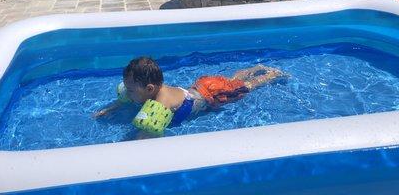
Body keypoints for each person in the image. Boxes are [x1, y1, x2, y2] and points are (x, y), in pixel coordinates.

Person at [94, 56, 286, 139]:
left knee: (246, 87)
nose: (128, 93)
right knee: (233, 81)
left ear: (149, 88)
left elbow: (146, 135)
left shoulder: (161, 103)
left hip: (212, 94)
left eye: (131, 90)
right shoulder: (152, 91)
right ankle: (255, 68)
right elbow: (125, 99)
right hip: (203, 85)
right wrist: (111, 108)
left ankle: (271, 75)